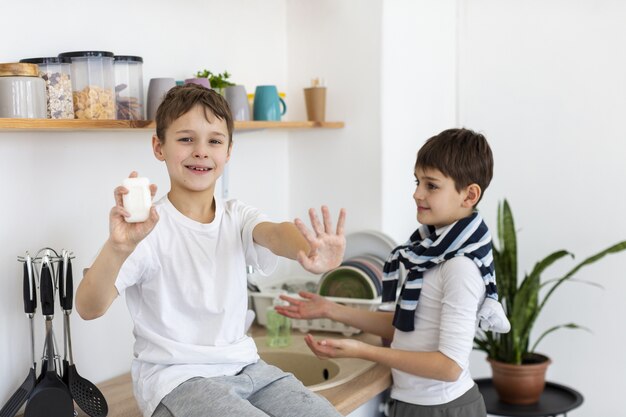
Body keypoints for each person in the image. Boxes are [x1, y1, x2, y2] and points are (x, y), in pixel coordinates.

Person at [75, 83, 347, 417]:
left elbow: (274, 234)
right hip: (177, 380)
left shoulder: (237, 216)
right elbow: (88, 308)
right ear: (159, 147)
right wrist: (118, 248)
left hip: (248, 369)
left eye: (214, 141)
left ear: (229, 151)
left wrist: (310, 249)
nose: (201, 151)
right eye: (186, 139)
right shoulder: (144, 229)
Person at [276, 128, 510, 417]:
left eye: (431, 185)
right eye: (417, 181)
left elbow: (450, 367)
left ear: (469, 195)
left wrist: (361, 350)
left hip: (442, 409)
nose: (417, 193)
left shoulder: (460, 266)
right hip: (417, 404)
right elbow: (408, 327)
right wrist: (330, 309)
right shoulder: (430, 251)